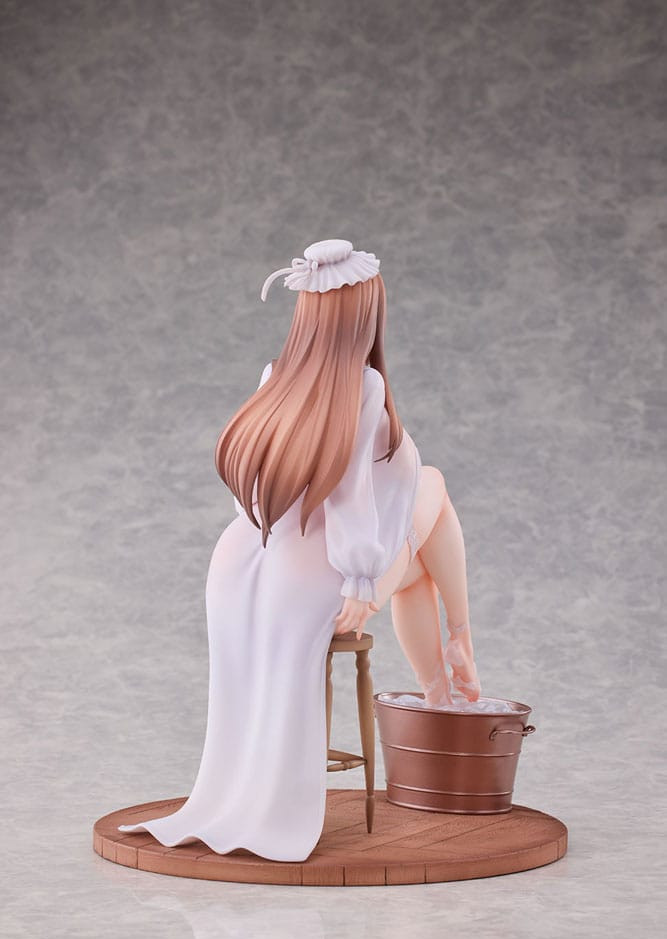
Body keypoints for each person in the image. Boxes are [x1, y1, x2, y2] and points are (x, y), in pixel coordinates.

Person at [118, 238, 480, 862]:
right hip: (319, 572)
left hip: (241, 565)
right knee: (434, 488)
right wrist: (360, 583)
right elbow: (352, 496)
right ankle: (458, 648)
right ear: (366, 317)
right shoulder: (363, 385)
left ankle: (441, 687)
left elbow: (264, 493)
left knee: (422, 553)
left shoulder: (274, 378)